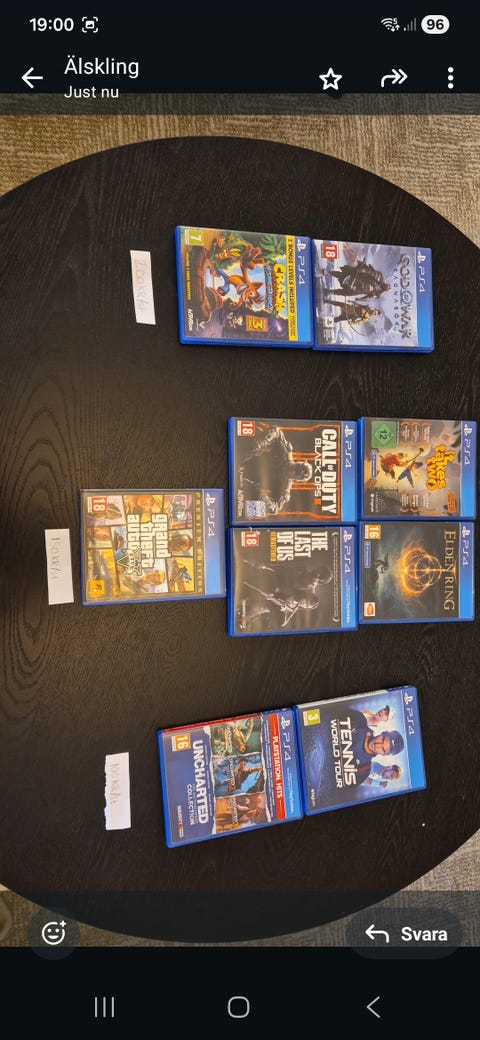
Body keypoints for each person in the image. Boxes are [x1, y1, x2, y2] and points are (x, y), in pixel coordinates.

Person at [240, 424, 313, 515]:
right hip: (247, 455)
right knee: (258, 438)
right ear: (298, 463)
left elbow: (276, 508)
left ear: (297, 479)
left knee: (255, 505)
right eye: (296, 468)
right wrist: (261, 442)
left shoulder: (285, 487)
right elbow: (277, 431)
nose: (292, 471)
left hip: (245, 481)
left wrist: (264, 498)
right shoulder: (286, 452)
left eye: (295, 474)